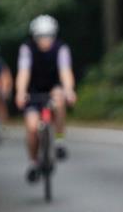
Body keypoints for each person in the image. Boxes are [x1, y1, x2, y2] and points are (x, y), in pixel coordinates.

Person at [14, 15, 76, 182]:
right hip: (33, 92)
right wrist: (20, 92)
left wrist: (69, 90)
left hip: (53, 88)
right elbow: (23, 72)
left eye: (49, 36)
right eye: (41, 37)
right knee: (32, 128)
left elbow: (65, 71)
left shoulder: (61, 48)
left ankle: (59, 140)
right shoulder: (27, 49)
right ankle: (33, 162)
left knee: (59, 99)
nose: (45, 40)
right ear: (35, 37)